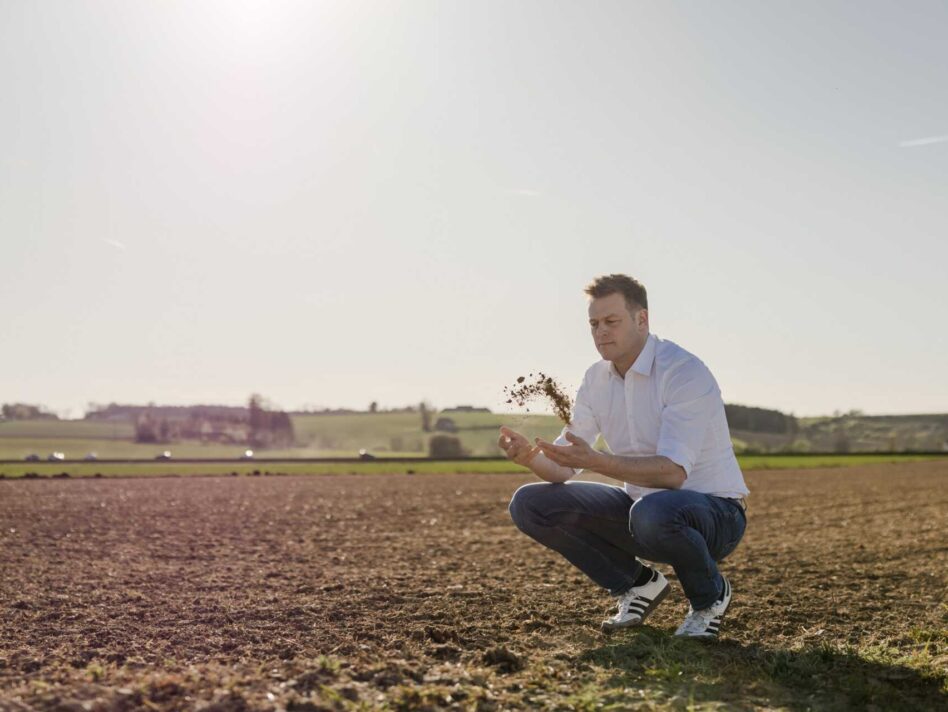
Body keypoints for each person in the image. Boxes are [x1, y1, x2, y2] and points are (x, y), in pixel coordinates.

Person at [499, 274, 749, 639]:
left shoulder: (683, 371)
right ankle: (637, 584)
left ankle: (710, 597)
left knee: (652, 511)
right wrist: (531, 458)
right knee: (529, 503)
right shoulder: (595, 379)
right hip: (642, 514)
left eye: (611, 321)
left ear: (641, 319)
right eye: (594, 324)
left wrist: (597, 460)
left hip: (715, 515)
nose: (601, 332)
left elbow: (672, 473)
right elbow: (564, 466)